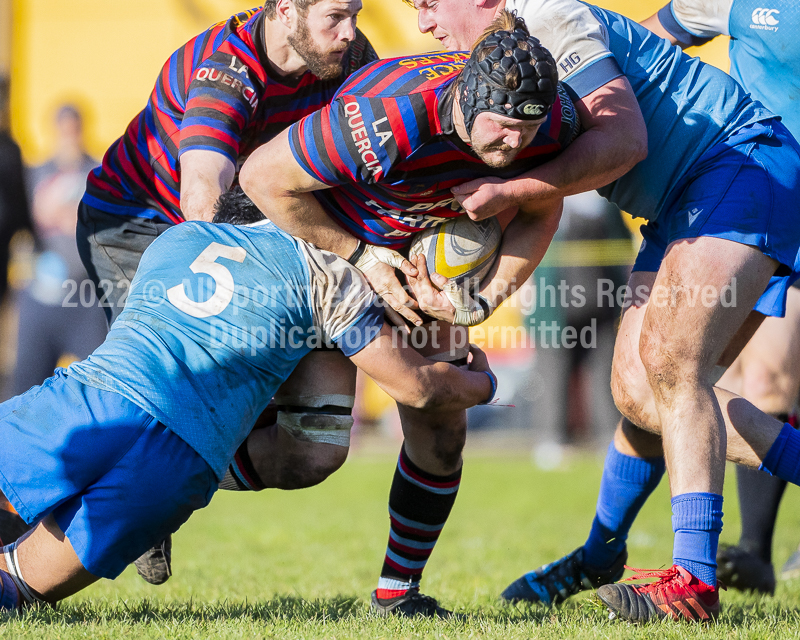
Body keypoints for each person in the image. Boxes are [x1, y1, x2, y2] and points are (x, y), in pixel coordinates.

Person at [404, 0, 800, 623]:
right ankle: (599, 555)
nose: (423, 22)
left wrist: (510, 190)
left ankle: (693, 583)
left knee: (673, 368)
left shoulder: (551, 17)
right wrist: (477, 297)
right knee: (639, 392)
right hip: (684, 197)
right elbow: (551, 195)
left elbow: (624, 139)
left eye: (429, 3)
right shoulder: (504, 67)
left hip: (737, 162)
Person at [0, 190, 496, 614]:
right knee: (13, 586)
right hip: (175, 468)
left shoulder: (176, 238)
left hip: (87, 406)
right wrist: (482, 384)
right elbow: (416, 388)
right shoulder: (330, 276)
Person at [240, 12, 578, 617]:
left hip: (414, 262)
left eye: (526, 135)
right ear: (467, 98)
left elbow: (542, 205)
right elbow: (262, 177)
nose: (513, 147)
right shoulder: (385, 116)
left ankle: (397, 595)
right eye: (500, 131)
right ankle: (156, 484)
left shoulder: (550, 115)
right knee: (318, 450)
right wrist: (364, 256)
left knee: (438, 431)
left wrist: (479, 299)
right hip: (327, 248)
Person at [69, 0, 377, 585]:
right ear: (286, 10)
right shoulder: (225, 68)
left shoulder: (350, 58)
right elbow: (203, 191)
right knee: (166, 380)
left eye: (356, 13)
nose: (351, 32)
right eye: (336, 16)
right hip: (137, 226)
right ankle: (108, 491)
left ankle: (143, 477)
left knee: (309, 444)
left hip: (245, 228)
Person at [639, 0, 800, 596]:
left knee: (671, 374)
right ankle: (752, 552)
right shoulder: (737, 2)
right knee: (765, 381)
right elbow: (648, 45)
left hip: (766, 205)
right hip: (774, 200)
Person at [13, 105, 107, 396]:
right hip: (42, 296)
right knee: (25, 386)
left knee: (99, 384)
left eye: (73, 130)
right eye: (62, 131)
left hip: (86, 299)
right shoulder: (34, 174)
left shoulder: (98, 175)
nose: (68, 138)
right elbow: (21, 225)